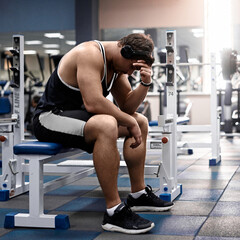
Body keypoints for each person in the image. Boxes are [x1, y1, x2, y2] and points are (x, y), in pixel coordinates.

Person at [33, 33, 174, 234]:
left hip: (78, 118)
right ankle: (113, 211)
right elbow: (93, 102)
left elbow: (126, 105)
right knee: (108, 123)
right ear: (124, 50)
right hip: (49, 118)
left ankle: (138, 194)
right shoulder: (89, 53)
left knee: (140, 121)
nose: (131, 71)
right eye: (132, 66)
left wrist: (144, 84)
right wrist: (128, 122)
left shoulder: (116, 68)